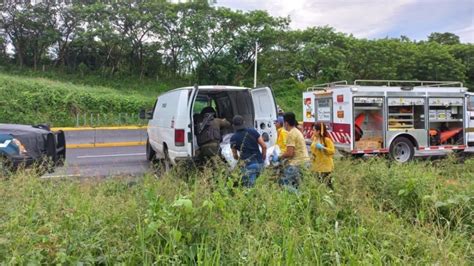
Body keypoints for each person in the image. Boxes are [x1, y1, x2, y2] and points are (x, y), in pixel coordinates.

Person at [230, 115, 267, 187]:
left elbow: (234, 155)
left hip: (248, 165)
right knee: (260, 185)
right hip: (260, 163)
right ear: (244, 122)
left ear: (233, 125)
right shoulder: (253, 131)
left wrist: (239, 159)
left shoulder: (233, 138)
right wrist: (263, 157)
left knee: (248, 187)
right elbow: (264, 146)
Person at [278, 112, 310, 188]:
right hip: (305, 162)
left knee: (284, 184)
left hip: (297, 163)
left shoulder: (291, 134)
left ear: (285, 123)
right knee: (298, 185)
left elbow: (290, 153)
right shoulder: (297, 131)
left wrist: (280, 157)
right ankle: (300, 198)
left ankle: (297, 196)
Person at [310, 122, 335, 189]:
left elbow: (332, 151)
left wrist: (323, 148)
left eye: (313, 130)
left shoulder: (327, 140)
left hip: (325, 167)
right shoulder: (314, 139)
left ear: (318, 131)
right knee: (317, 186)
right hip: (316, 166)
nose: (312, 131)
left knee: (328, 186)